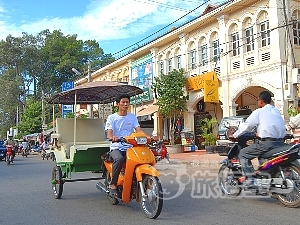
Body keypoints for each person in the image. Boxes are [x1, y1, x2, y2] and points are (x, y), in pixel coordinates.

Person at [231, 91, 286, 185]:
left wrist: (235, 135)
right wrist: (259, 133)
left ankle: (252, 181)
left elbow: (247, 126)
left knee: (243, 154)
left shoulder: (259, 111)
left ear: (261, 101)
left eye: (258, 100)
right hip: (281, 143)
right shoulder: (276, 111)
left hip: (268, 144)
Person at [105, 94, 151, 196]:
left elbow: (139, 131)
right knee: (119, 159)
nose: (126, 104)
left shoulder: (132, 117)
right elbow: (109, 133)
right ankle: (113, 184)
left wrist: (149, 137)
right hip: (116, 147)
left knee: (141, 159)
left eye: (127, 102)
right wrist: (113, 137)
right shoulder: (112, 117)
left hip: (130, 147)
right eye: (123, 102)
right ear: (118, 104)